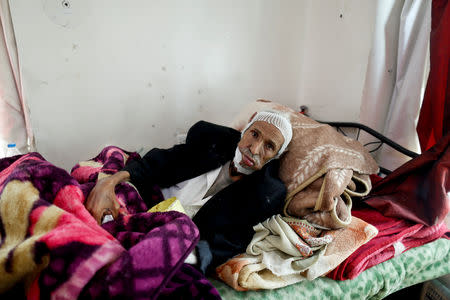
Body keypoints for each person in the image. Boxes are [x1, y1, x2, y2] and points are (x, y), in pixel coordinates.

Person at [85, 110, 293, 273]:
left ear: (274, 157)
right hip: (141, 205)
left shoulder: (260, 196)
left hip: (172, 239)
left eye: (269, 146)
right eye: (254, 134)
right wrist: (108, 183)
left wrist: (172, 257)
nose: (254, 149)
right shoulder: (209, 146)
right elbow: (154, 163)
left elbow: (224, 245)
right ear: (245, 130)